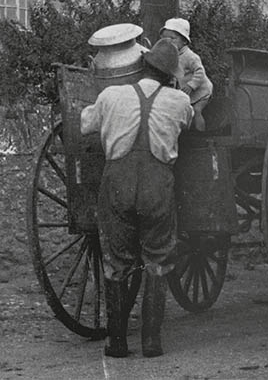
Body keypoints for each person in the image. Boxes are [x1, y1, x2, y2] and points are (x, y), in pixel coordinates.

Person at [80, 38, 194, 358]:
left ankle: (117, 342)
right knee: (157, 261)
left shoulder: (111, 95)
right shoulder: (179, 101)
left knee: (116, 264)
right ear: (170, 76)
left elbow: (85, 125)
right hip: (158, 186)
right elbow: (188, 125)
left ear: (140, 66)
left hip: (116, 183)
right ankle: (151, 342)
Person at [159, 17, 213, 130]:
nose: (168, 42)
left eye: (173, 38)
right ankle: (185, 132)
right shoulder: (171, 55)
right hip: (186, 91)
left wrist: (191, 85)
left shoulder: (190, 56)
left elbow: (200, 71)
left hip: (201, 90)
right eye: (164, 38)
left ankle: (201, 133)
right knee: (183, 109)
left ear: (184, 41)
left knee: (197, 110)